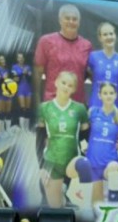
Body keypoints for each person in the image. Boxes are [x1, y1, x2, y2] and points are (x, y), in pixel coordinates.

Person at [36, 71, 90, 208]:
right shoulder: (44, 108)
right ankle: (62, 196)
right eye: (63, 83)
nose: (66, 87)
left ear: (74, 89)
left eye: (70, 85)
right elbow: (40, 138)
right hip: (52, 159)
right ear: (56, 83)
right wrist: (41, 166)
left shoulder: (80, 108)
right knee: (55, 207)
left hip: (73, 159)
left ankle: (75, 192)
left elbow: (86, 134)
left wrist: (91, 150)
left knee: (84, 165)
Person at [34, 4, 93, 106]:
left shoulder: (87, 45)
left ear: (79, 22)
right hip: (52, 104)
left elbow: (93, 74)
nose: (71, 22)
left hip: (77, 105)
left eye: (74, 19)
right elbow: (37, 72)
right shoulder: (46, 41)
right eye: (67, 18)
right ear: (60, 20)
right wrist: (36, 101)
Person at [86, 81, 118, 207]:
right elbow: (84, 131)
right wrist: (87, 146)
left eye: (111, 93)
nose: (108, 96)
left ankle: (113, 207)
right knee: (96, 205)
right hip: (94, 161)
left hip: (110, 160)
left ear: (116, 95)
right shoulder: (92, 112)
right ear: (99, 95)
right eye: (105, 93)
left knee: (113, 170)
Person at [87, 22, 118, 110]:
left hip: (115, 106)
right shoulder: (93, 57)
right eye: (105, 34)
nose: (109, 37)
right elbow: (88, 74)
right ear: (100, 38)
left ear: (115, 35)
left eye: (111, 34)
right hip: (96, 105)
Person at [11, 52, 33, 130]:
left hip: (28, 88)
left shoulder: (28, 67)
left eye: (22, 57)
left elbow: (30, 78)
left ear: (24, 59)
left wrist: (27, 74)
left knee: (28, 109)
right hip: (20, 88)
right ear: (17, 59)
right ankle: (22, 128)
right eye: (19, 57)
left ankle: (26, 129)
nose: (20, 59)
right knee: (22, 108)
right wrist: (22, 73)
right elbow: (15, 78)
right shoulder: (14, 67)